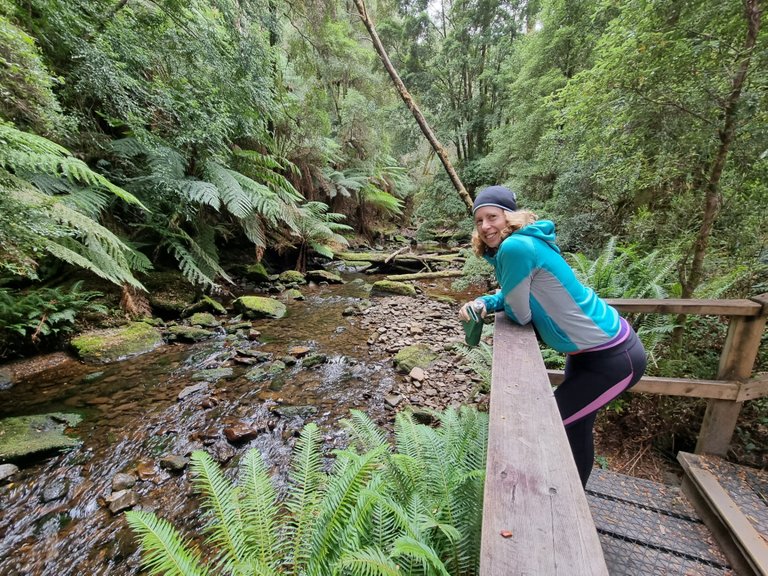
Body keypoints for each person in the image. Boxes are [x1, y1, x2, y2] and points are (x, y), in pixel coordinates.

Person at [459, 185, 647, 487]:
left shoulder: (515, 248)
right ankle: (576, 493)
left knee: (550, 427)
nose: (484, 226)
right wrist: (485, 302)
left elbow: (519, 313)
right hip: (587, 353)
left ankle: (566, 501)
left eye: (491, 217)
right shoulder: (525, 243)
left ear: (510, 217)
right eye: (479, 220)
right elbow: (514, 295)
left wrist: (496, 301)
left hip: (615, 357)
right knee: (576, 428)